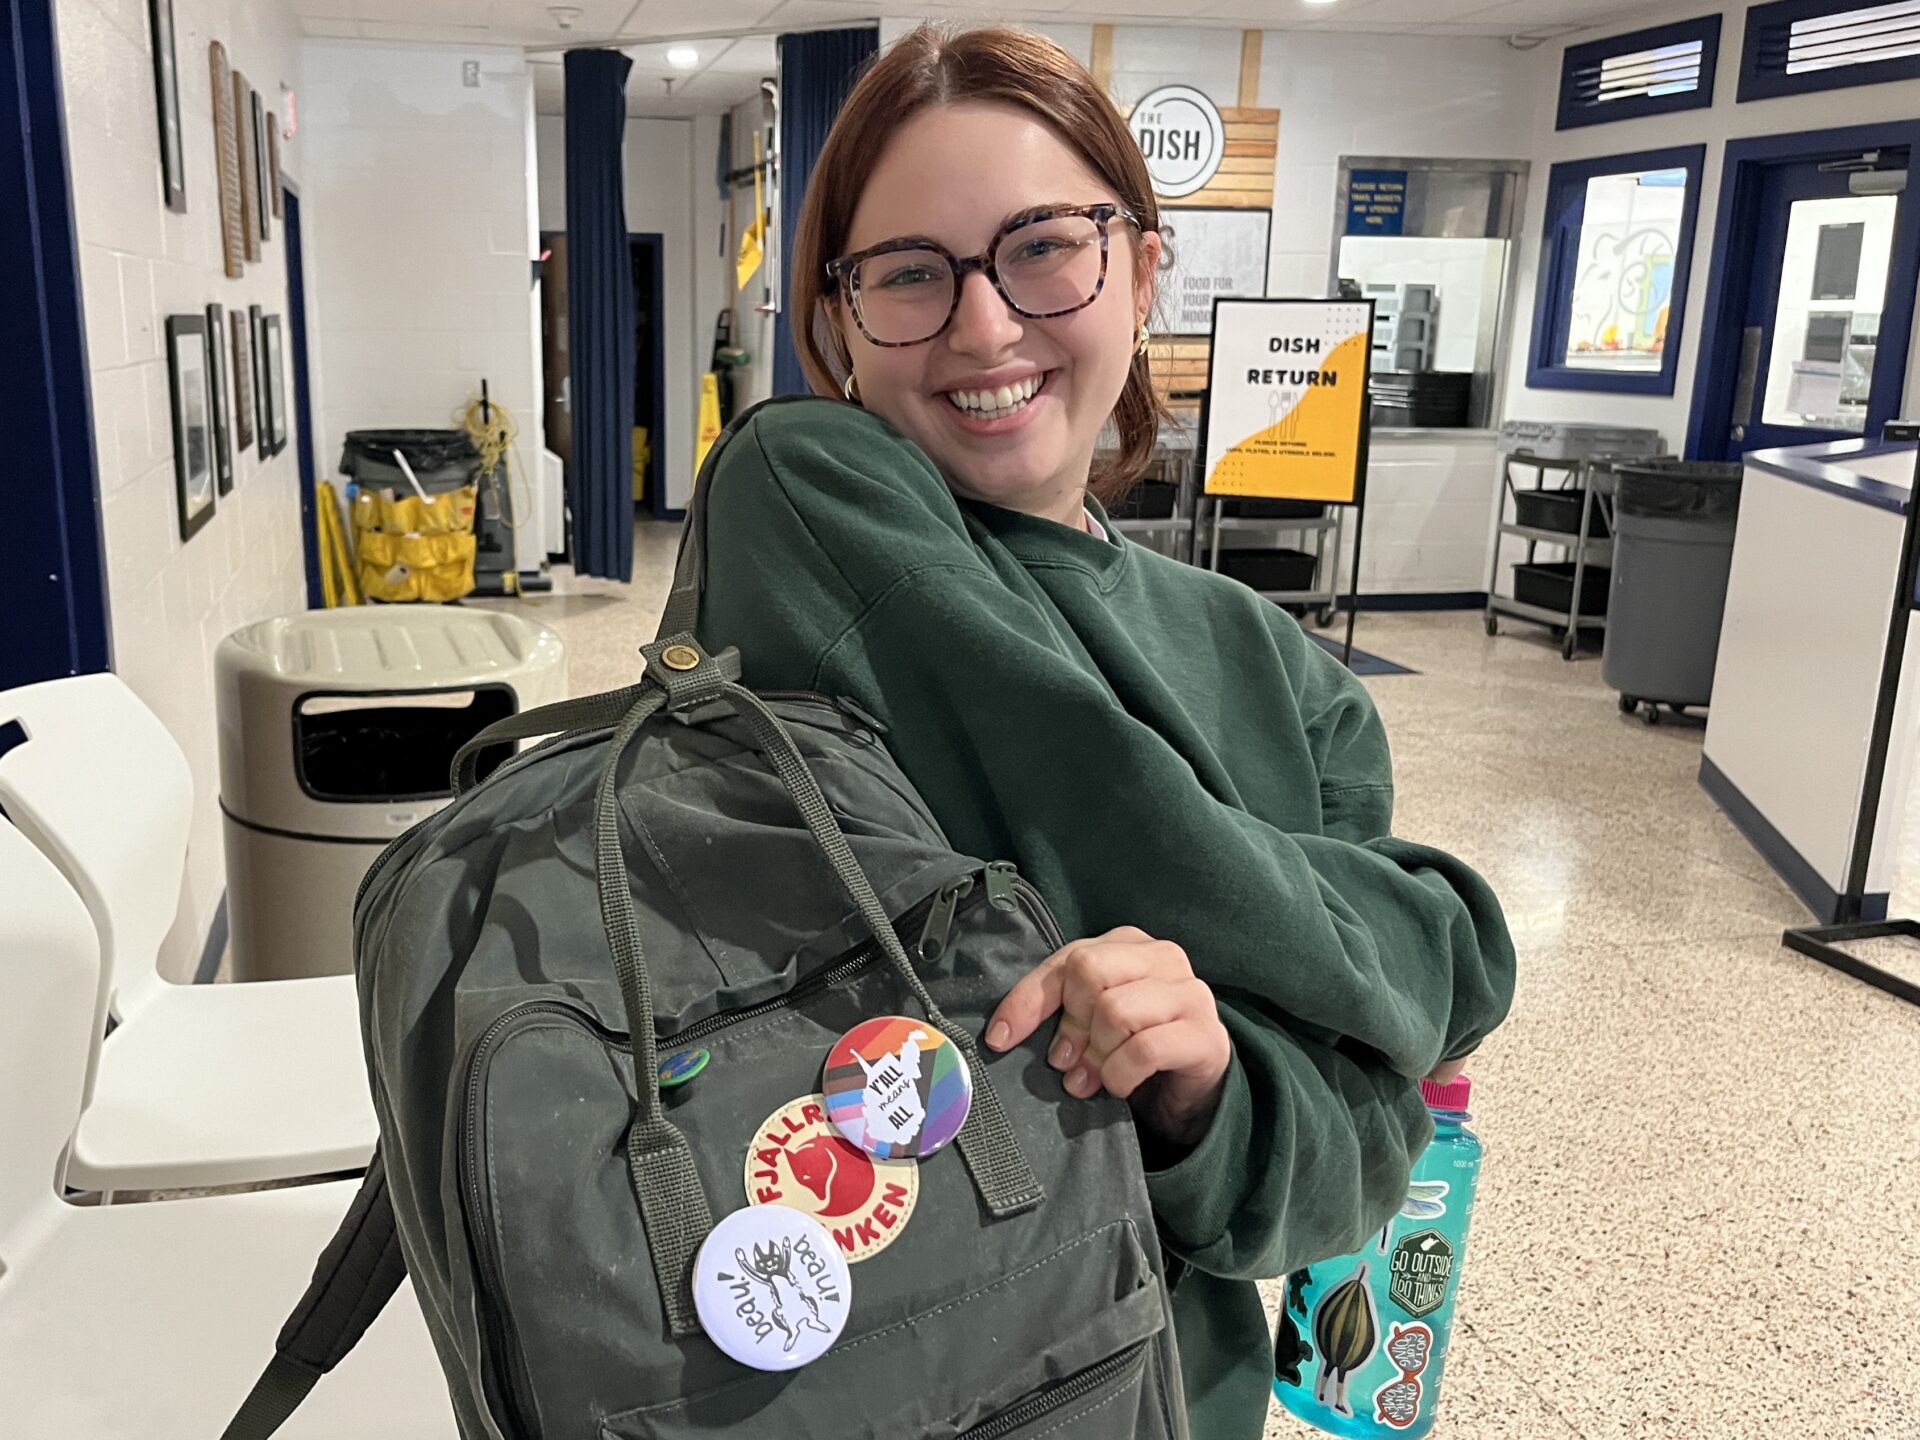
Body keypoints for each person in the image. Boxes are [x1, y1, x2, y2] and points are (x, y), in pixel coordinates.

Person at [692, 24, 1515, 1437]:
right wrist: (1431, 937)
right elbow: (1104, 797)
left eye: (1043, 248)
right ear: (836, 321)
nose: (984, 325)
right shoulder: (802, 495)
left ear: (1140, 267)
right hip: (811, 1365)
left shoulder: (1286, 678)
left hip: (1144, 1386)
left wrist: (1205, 1090)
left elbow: (1362, 1148)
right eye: (908, 273)